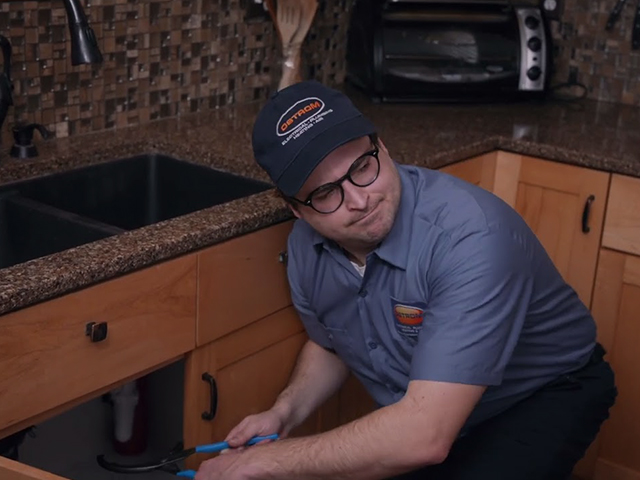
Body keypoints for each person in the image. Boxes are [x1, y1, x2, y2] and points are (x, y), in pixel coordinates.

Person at [194, 81, 617, 480]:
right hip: (428, 410)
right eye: (325, 194)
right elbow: (331, 343)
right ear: (297, 210)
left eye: (363, 166)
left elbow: (423, 437)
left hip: (542, 393)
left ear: (383, 147)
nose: (360, 200)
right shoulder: (306, 246)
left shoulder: (471, 238)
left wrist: (266, 462)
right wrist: (284, 414)